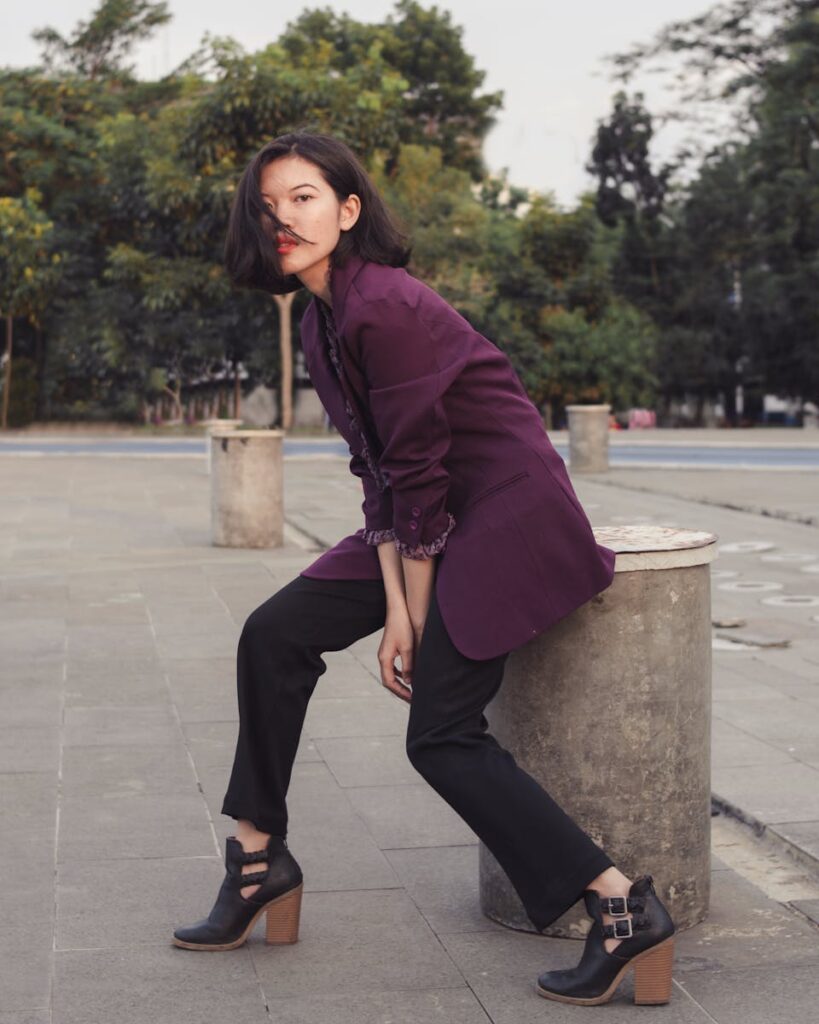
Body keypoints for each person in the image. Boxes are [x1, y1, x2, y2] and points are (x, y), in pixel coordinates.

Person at [171, 129, 676, 1007]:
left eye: (303, 198)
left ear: (347, 210)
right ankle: (257, 861)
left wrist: (410, 613)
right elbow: (381, 472)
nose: (282, 218)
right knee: (274, 634)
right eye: (267, 205)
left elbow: (419, 475)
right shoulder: (323, 320)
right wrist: (400, 605)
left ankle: (620, 906)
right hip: (430, 514)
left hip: (507, 515)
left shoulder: (386, 306)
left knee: (440, 735)